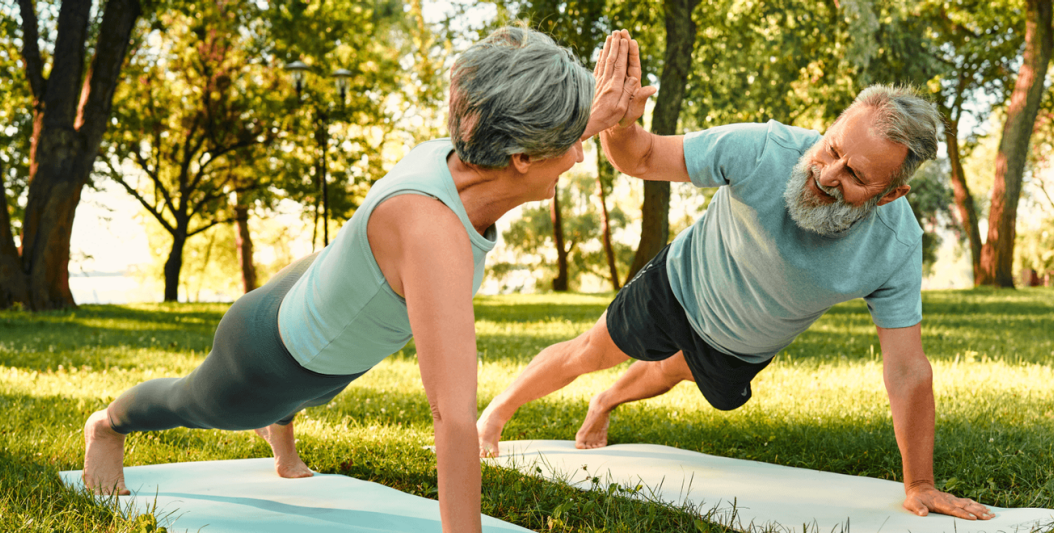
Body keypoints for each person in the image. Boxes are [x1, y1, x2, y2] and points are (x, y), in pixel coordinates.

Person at [82, 26, 649, 533]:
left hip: (320, 306)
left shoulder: (466, 152)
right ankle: (107, 425)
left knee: (321, 382)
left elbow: (531, 135)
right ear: (522, 155)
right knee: (195, 402)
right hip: (266, 355)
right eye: (573, 140)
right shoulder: (433, 234)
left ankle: (283, 425)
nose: (580, 155)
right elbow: (453, 418)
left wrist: (599, 114)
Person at [476, 35, 996, 522]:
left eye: (856, 176)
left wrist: (919, 483)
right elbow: (641, 157)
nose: (827, 174)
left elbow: (907, 368)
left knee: (671, 371)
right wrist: (623, 124)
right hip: (679, 287)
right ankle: (497, 413)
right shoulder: (762, 149)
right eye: (832, 148)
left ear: (889, 195)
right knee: (588, 352)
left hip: (740, 347)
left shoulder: (894, 246)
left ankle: (606, 401)